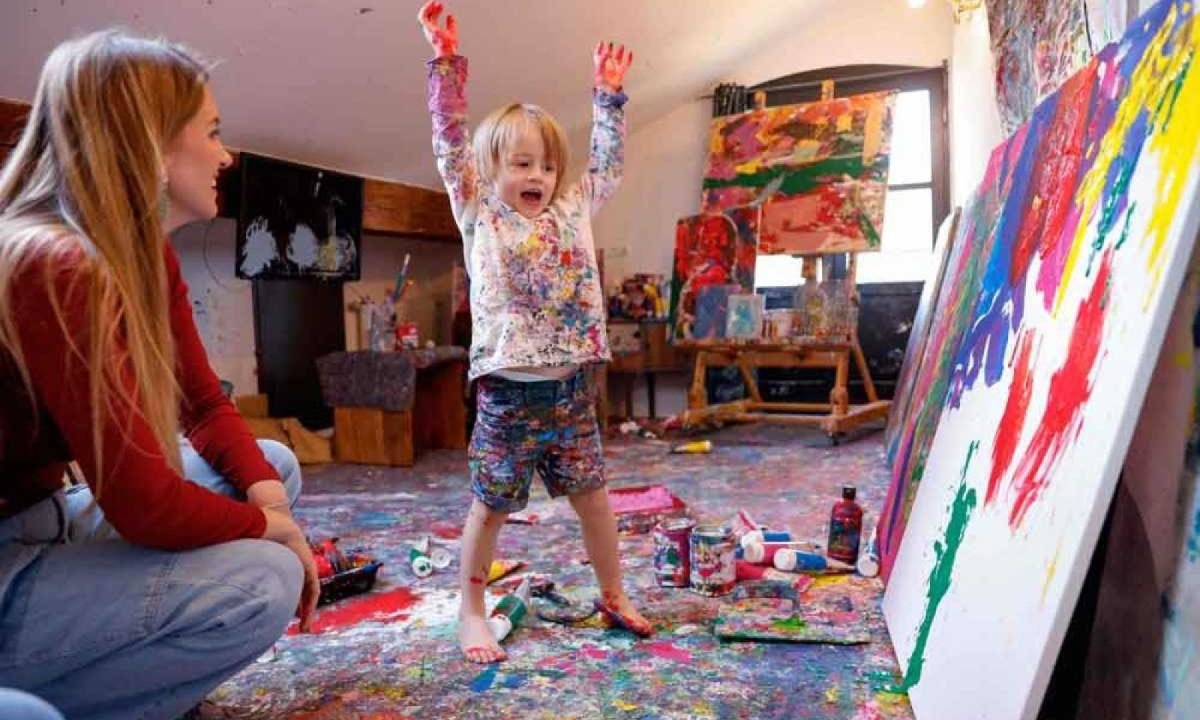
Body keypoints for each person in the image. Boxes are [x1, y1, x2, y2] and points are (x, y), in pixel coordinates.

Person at [0, 30, 320, 720]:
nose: (227, 154)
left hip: (41, 518)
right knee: (263, 578)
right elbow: (139, 501)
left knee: (270, 466)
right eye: (211, 131)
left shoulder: (141, 252)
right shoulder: (54, 264)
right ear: (147, 141)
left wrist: (271, 507)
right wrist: (277, 536)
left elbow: (201, 403)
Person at [418, 1, 651, 665]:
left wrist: (608, 98)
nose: (537, 177)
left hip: (573, 392)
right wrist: (445, 64)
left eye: (546, 166)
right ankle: (470, 607)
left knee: (595, 500)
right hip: (507, 397)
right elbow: (447, 139)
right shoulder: (478, 210)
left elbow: (606, 165)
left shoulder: (573, 208)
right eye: (521, 164)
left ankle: (612, 592)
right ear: (493, 172)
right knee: (489, 507)